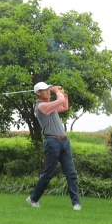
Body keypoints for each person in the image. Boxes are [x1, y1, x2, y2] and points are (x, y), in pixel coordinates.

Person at [26, 82, 82, 211]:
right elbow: (59, 101)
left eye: (48, 89)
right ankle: (33, 199)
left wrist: (62, 92)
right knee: (49, 173)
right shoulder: (41, 107)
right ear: (38, 93)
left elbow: (64, 106)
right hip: (52, 142)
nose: (48, 92)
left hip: (64, 142)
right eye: (44, 90)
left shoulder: (50, 106)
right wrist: (56, 91)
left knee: (71, 173)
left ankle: (76, 204)